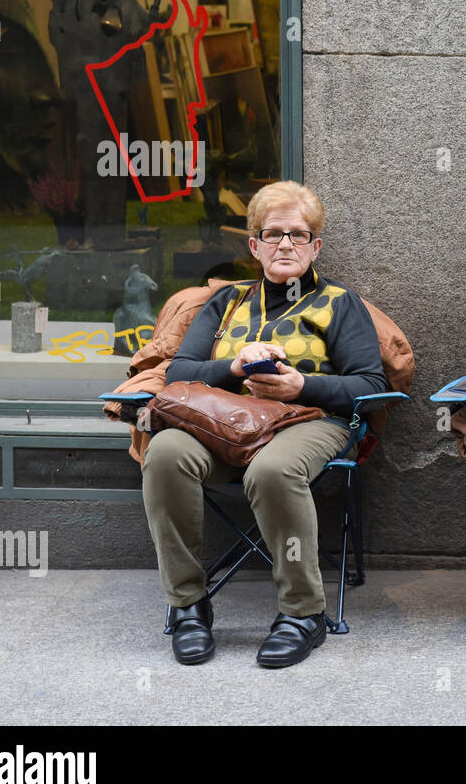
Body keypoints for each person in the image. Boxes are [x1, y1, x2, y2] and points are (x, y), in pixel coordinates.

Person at [142, 181, 388, 669]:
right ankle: (189, 604)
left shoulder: (340, 303)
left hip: (311, 419)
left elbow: (369, 384)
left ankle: (302, 614)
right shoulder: (226, 302)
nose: (286, 245)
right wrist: (235, 366)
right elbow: (180, 372)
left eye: (298, 234)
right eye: (273, 233)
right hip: (223, 423)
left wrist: (303, 386)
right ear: (253, 245)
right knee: (166, 453)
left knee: (272, 470)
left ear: (316, 246)